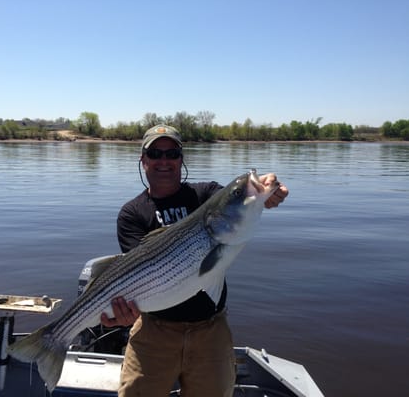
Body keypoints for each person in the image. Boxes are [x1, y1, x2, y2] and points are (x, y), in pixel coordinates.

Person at [100, 124, 289, 397]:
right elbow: (133, 278)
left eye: (172, 152)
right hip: (154, 333)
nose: (164, 160)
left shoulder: (206, 194)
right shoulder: (132, 214)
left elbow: (240, 201)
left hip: (211, 332)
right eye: (155, 153)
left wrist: (268, 194)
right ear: (143, 161)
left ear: (181, 158)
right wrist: (117, 315)